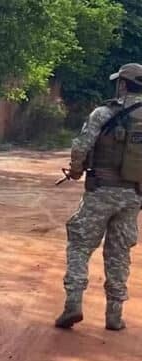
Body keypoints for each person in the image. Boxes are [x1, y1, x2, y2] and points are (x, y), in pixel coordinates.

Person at [55, 63, 142, 330]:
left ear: (123, 84)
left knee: (80, 245)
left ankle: (73, 304)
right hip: (133, 195)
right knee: (118, 254)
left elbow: (81, 146)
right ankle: (114, 316)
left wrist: (76, 170)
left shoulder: (103, 113)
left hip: (101, 190)